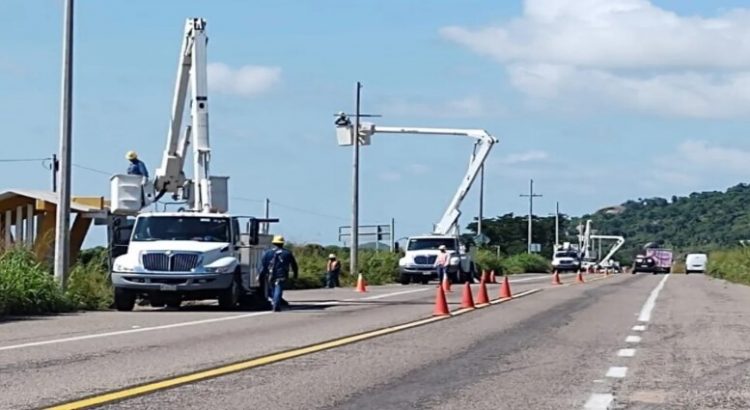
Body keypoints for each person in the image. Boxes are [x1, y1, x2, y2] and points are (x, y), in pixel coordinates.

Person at [259, 235, 298, 312]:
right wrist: (295, 274)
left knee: (273, 288)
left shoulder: (268, 253)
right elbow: (294, 265)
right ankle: (276, 304)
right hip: (281, 274)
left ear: (273, 243)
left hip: (270, 275)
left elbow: (263, 265)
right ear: (282, 243)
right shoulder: (287, 253)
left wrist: (262, 274)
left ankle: (275, 302)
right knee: (278, 288)